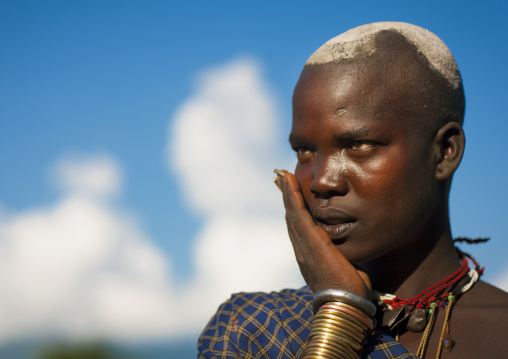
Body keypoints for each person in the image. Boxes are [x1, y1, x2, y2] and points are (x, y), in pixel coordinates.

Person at [198, 22, 508, 359]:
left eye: (358, 144)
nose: (321, 181)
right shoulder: (251, 328)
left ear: (445, 151)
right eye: (304, 151)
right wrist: (340, 316)